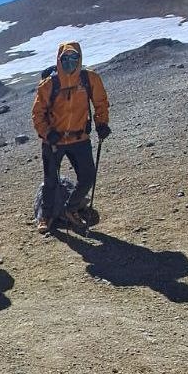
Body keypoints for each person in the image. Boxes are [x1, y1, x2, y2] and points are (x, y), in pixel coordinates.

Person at [32, 41, 110, 233]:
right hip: (54, 141)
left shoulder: (89, 79)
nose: (69, 62)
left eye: (74, 58)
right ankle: (45, 216)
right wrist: (47, 133)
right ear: (59, 60)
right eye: (65, 58)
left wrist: (102, 123)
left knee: (88, 176)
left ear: (79, 59)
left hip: (79, 138)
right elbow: (38, 113)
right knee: (51, 180)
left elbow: (100, 102)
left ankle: (70, 208)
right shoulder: (49, 84)